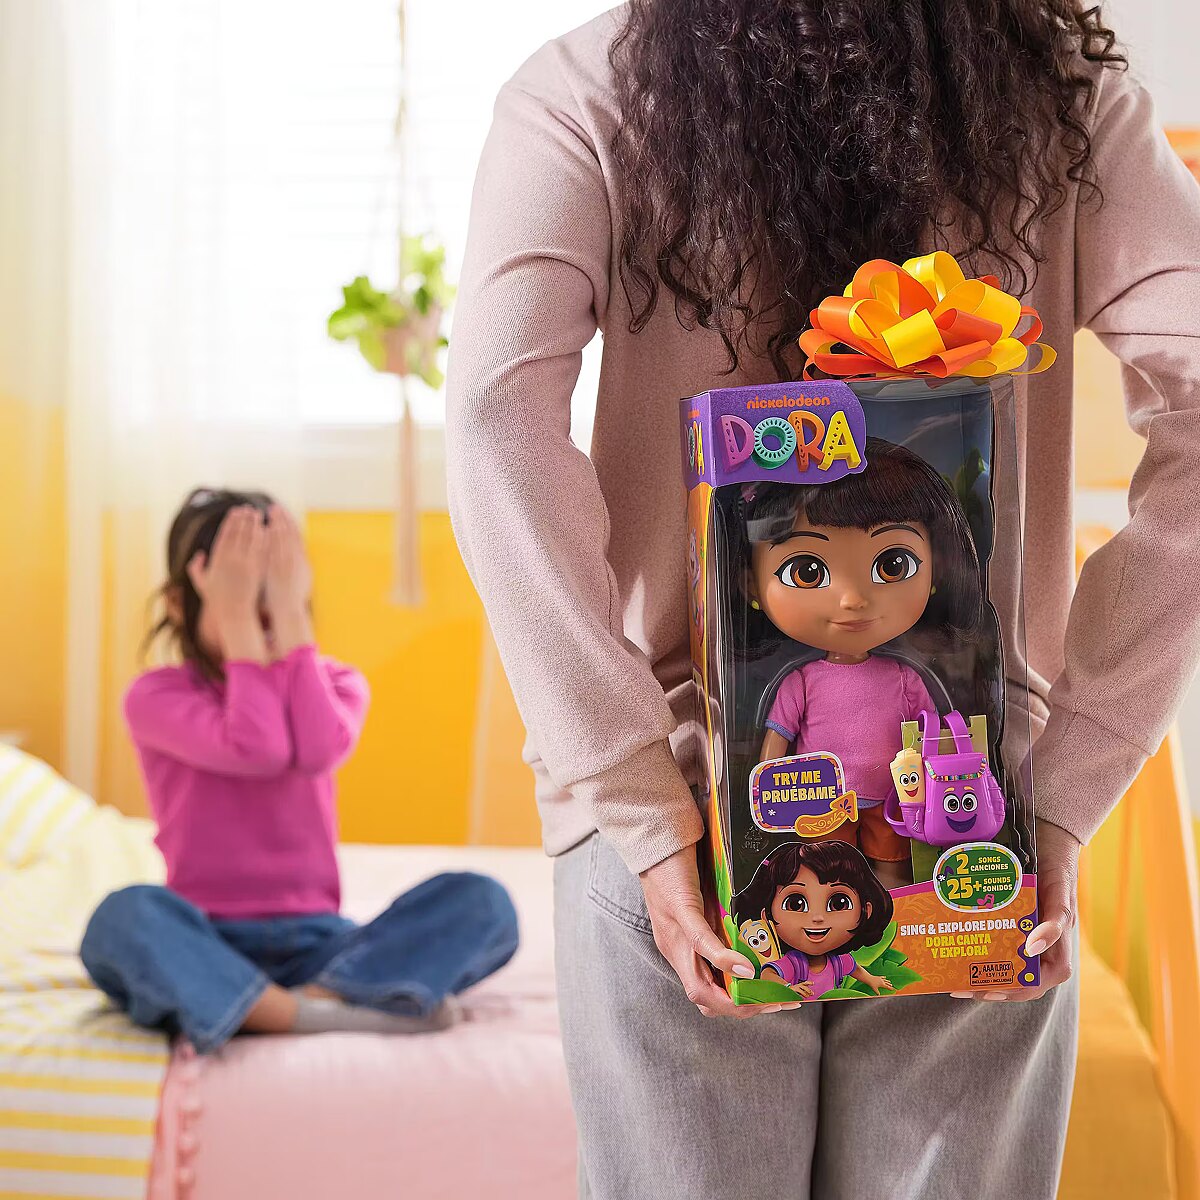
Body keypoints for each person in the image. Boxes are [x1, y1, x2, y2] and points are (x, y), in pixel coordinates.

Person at [446, 3, 1200, 1196]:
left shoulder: (588, 88)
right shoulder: (1056, 93)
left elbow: (495, 414)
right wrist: (1067, 774)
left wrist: (628, 789)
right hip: (970, 820)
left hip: (685, 806)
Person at [80, 488, 519, 1054]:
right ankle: (306, 1011)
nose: (260, 610)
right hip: (205, 936)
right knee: (120, 920)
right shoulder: (156, 696)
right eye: (240, 591)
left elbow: (317, 750)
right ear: (179, 603)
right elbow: (257, 749)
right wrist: (238, 622)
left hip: (320, 945)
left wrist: (287, 619)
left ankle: (303, 1002)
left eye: (277, 590)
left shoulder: (336, 682)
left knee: (483, 902)